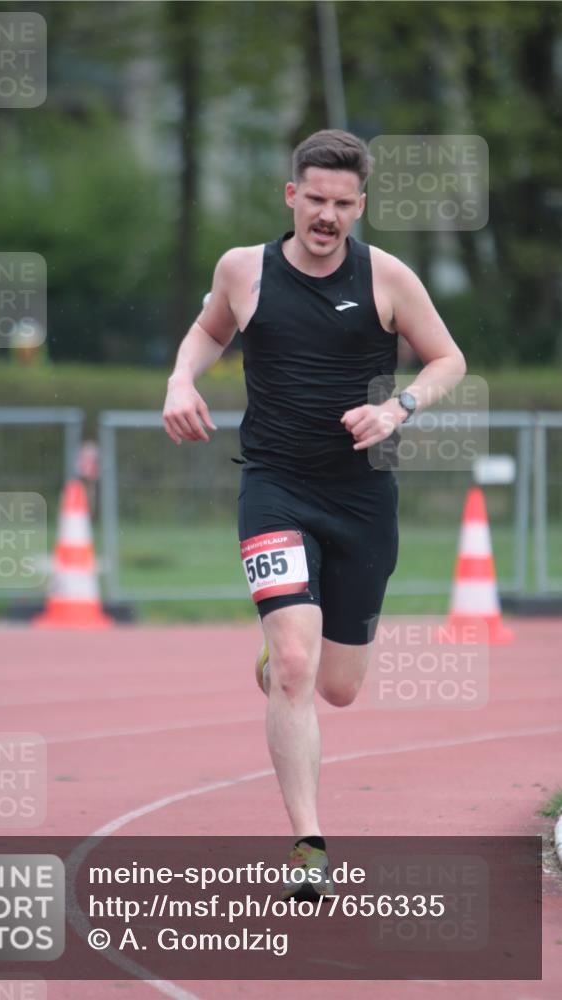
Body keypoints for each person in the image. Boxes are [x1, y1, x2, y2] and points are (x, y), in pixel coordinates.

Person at [163, 129, 466, 900]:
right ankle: (308, 841)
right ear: (290, 195)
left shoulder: (387, 277)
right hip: (274, 486)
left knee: (336, 686)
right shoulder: (242, 269)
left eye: (342, 205)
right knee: (295, 667)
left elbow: (447, 359)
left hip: (363, 496)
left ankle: (279, 664)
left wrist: (396, 409)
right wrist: (179, 380)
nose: (326, 217)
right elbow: (207, 330)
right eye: (315, 200)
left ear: (359, 206)